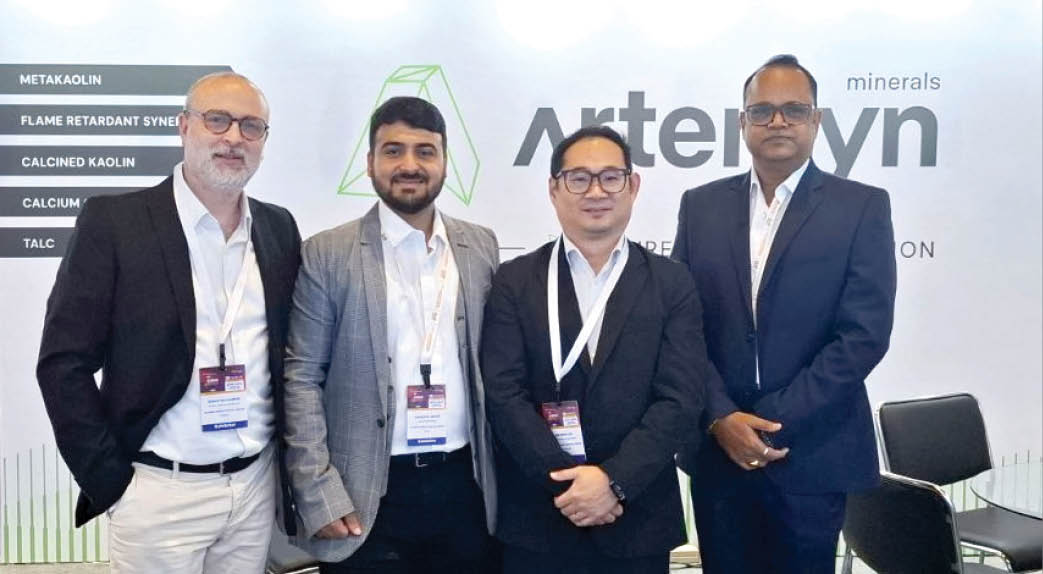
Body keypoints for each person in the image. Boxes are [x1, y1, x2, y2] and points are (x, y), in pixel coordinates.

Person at [36, 71, 301, 572]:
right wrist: (111, 483)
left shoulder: (278, 228)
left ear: (264, 141)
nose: (233, 137)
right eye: (217, 120)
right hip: (158, 494)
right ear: (183, 126)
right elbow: (63, 363)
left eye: (251, 126)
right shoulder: (115, 223)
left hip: (253, 488)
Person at [672, 54, 897, 573]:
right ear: (742, 122)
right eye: (762, 110)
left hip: (812, 453)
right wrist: (721, 416)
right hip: (719, 452)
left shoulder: (861, 207)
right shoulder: (700, 206)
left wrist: (772, 421)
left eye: (793, 110)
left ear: (816, 120)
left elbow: (863, 335)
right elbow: (682, 327)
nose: (777, 121)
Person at [283, 96, 500, 573]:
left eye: (425, 151)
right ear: (369, 163)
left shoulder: (480, 246)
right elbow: (301, 378)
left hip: (465, 489)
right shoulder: (327, 253)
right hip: (363, 495)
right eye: (393, 150)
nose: (409, 165)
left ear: (445, 162)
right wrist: (317, 490)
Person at [481, 125, 707, 573]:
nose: (596, 191)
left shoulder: (672, 282)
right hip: (540, 516)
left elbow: (681, 398)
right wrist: (569, 484)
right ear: (554, 189)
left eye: (610, 177)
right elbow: (503, 393)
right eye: (579, 178)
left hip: (636, 518)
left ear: (633, 185)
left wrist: (614, 482)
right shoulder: (515, 280)